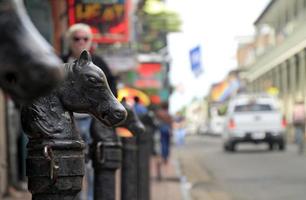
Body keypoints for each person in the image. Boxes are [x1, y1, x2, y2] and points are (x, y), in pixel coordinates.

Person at [61, 23, 118, 200]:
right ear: (70, 41)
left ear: (90, 42)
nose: (80, 42)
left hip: (91, 122)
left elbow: (111, 93)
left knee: (93, 166)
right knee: (69, 164)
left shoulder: (98, 64)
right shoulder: (60, 62)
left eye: (85, 39)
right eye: (76, 39)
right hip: (65, 122)